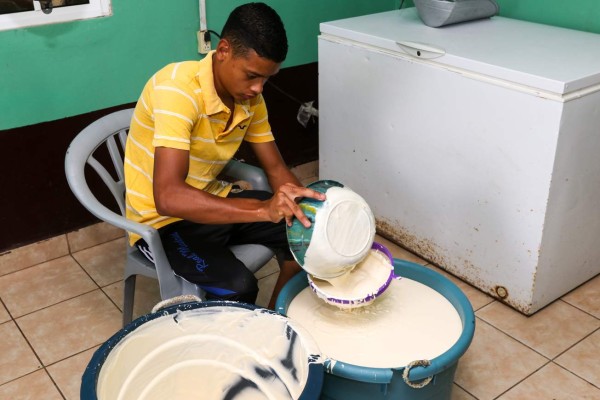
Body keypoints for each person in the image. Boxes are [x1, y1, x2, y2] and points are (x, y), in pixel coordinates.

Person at [124, 2, 324, 308]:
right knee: (239, 287)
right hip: (162, 223)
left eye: (267, 79)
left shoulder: (250, 99)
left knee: (308, 239)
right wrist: (262, 211)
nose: (258, 89)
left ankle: (272, 319)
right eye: (252, 75)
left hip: (213, 200)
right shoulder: (177, 89)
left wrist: (305, 207)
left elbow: (275, 169)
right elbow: (168, 196)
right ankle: (229, 344)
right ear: (224, 50)